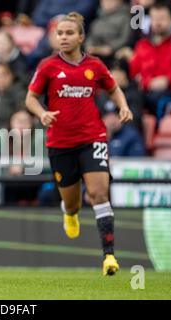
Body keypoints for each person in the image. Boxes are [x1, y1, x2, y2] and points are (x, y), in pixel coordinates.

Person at [25, 12, 133, 276]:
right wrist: (42, 114)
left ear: (81, 37)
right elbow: (30, 98)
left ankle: (109, 257)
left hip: (92, 138)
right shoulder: (48, 66)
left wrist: (123, 106)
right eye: (59, 33)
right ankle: (70, 212)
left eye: (69, 33)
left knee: (98, 194)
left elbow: (113, 88)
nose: (63, 37)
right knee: (72, 203)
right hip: (60, 143)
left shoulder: (94, 66)